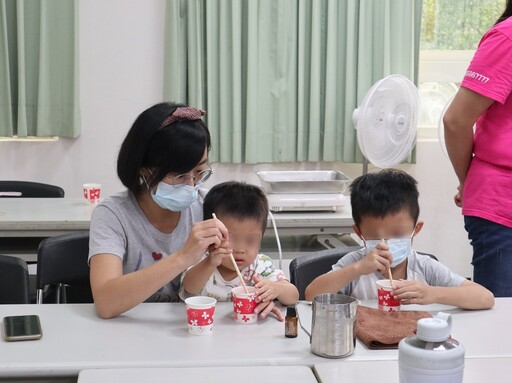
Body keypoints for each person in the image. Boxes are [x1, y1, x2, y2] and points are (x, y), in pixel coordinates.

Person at [89, 102, 228, 319]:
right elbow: (106, 303)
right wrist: (182, 258)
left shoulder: (209, 206)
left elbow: (246, 267)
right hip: (129, 335)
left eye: (200, 171)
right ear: (144, 170)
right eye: (180, 176)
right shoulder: (113, 215)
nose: (192, 186)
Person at [305, 169, 494, 310]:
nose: (385, 244)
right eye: (375, 236)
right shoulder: (355, 265)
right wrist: (357, 269)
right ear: (359, 233)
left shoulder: (423, 267)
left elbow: (485, 297)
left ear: (415, 229)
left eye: (397, 235)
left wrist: (432, 293)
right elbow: (311, 295)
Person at [443, 1, 512, 297]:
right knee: (499, 325)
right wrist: (466, 179)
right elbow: (456, 121)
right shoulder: (507, 39)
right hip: (501, 206)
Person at [180, 181, 299, 321]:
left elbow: (293, 296)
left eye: (250, 240)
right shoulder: (201, 259)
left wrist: (277, 289)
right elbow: (189, 289)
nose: (240, 249)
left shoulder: (260, 266)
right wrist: (209, 263)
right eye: (231, 238)